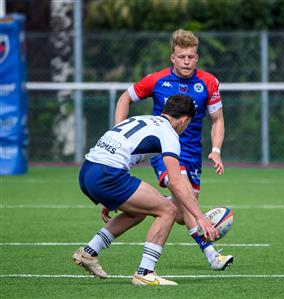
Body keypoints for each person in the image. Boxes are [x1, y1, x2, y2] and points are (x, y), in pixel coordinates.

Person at [114, 29, 233, 270]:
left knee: (181, 211)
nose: (186, 61)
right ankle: (212, 255)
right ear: (173, 57)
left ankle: (151, 205)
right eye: (181, 57)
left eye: (191, 57)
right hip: (164, 152)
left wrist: (216, 150)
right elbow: (125, 98)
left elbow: (217, 119)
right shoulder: (157, 80)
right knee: (185, 195)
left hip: (192, 155)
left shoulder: (209, 82)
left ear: (197, 58)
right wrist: (120, 131)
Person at [73, 94, 218, 286]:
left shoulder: (143, 119)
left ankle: (88, 253)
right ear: (184, 120)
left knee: (138, 212)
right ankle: (145, 273)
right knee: (168, 210)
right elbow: (175, 181)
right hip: (107, 174)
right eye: (188, 123)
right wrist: (200, 217)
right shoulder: (169, 134)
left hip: (88, 171)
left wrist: (112, 196)